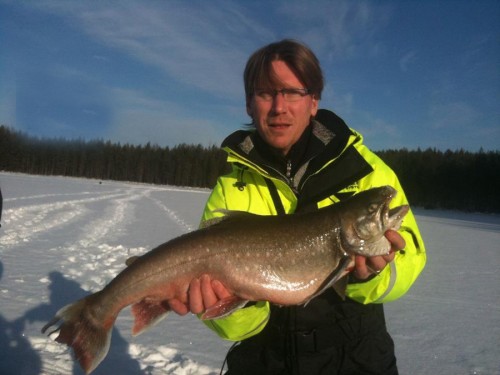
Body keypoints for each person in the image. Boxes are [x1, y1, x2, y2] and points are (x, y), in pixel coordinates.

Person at [167, 39, 426, 375]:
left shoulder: (365, 170)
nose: (279, 107)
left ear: (313, 101)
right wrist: (223, 303)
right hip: (264, 361)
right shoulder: (231, 188)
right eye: (265, 93)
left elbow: (411, 260)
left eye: (292, 92)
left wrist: (374, 275)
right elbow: (234, 328)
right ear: (249, 104)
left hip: (358, 358)